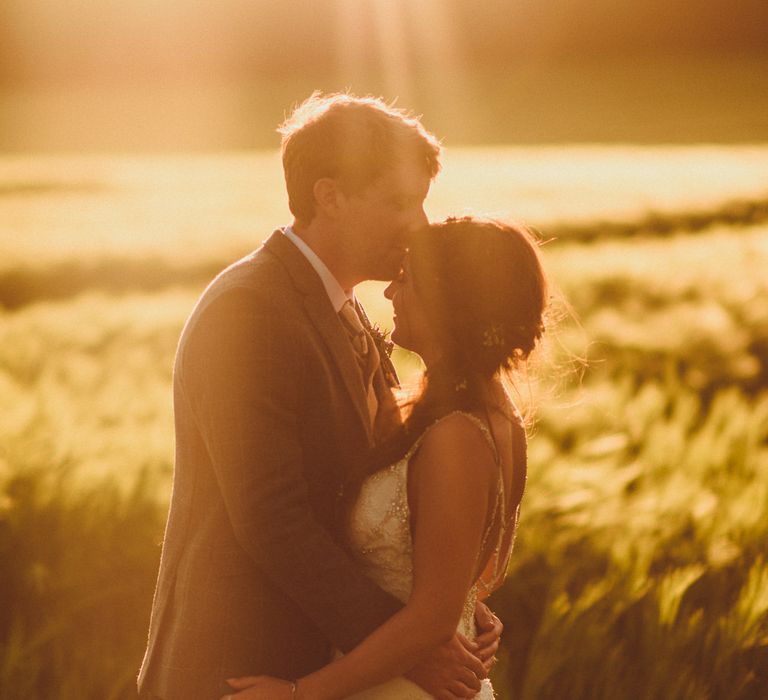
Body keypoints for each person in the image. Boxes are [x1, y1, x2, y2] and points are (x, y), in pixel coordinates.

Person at [137, 94, 502, 700]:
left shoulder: (346, 305)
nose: (420, 224)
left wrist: (449, 609)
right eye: (398, 202)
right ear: (329, 196)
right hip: (243, 666)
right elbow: (272, 517)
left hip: (321, 666)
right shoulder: (250, 308)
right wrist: (414, 645)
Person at [221, 216, 548, 699]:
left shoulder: (457, 434)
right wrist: (467, 609)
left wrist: (296, 694)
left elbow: (430, 620)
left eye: (407, 280)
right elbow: (451, 577)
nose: (391, 294)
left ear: (446, 301)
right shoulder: (482, 413)